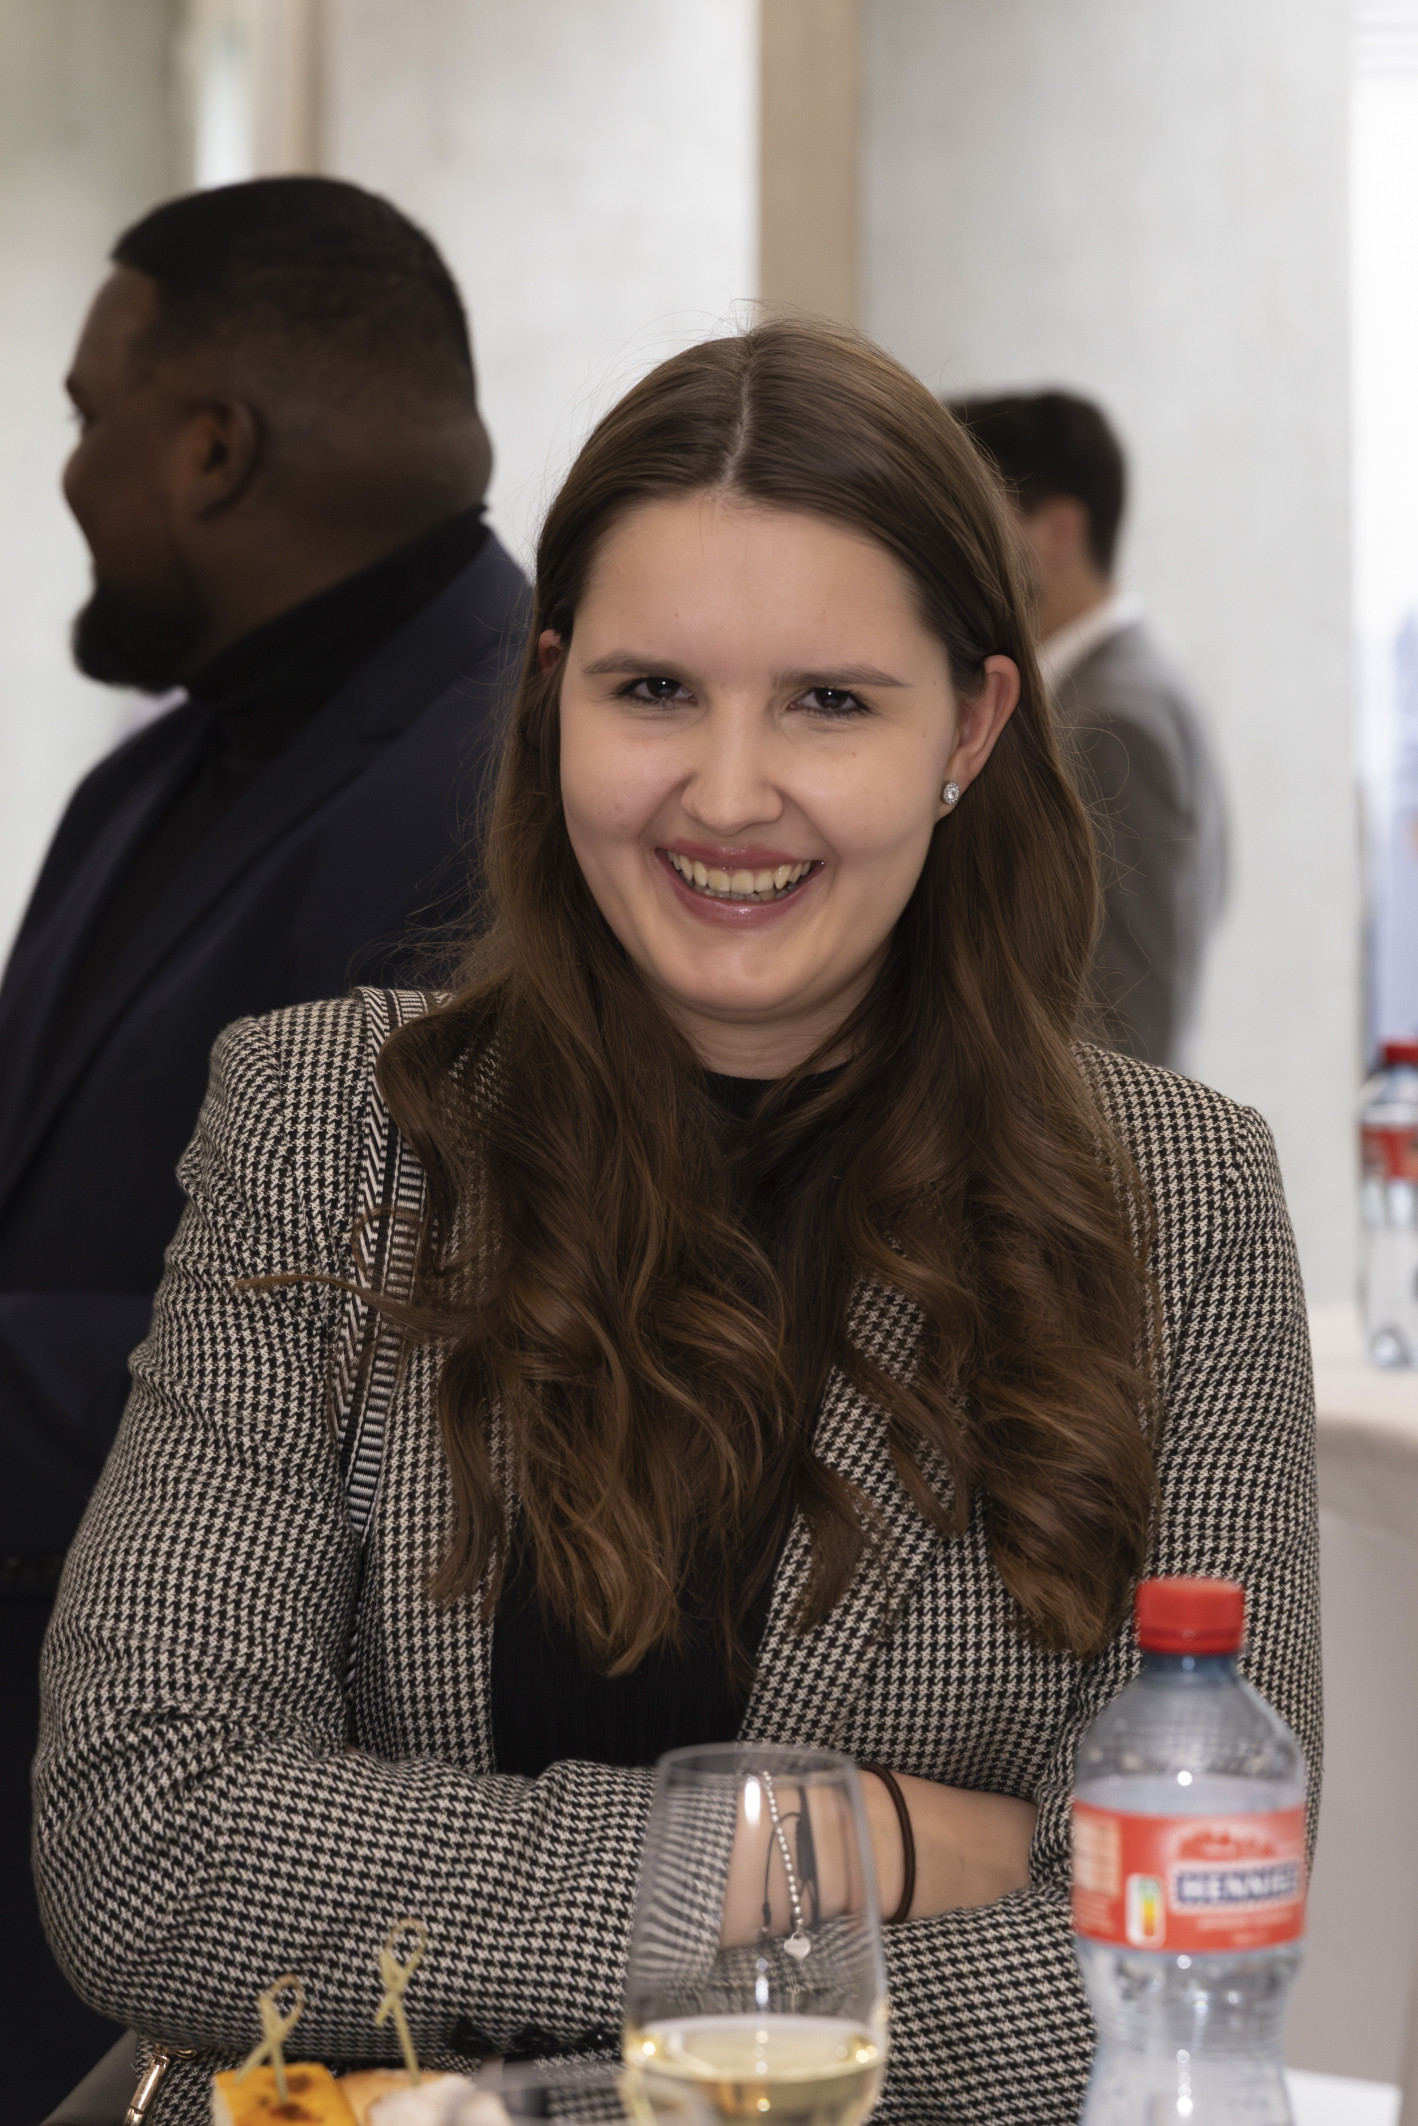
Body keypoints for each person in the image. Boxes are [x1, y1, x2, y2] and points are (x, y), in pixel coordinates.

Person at [35, 321, 1316, 2126]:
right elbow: (148, 1841)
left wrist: (515, 2063)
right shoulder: (327, 1123)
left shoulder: (1177, 1199)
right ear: (550, 695)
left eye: (828, 702)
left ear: (967, 727)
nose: (725, 793)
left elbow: (1161, 1965)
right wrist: (823, 1840)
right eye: (651, 691)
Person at [1, 175, 525, 2110]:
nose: (67, 472)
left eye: (88, 417)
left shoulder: (523, 796)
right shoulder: (146, 779)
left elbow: (419, 1348)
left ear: (210, 447)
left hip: (283, 1860)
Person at [950, 389, 1228, 1071]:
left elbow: (1128, 1016)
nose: (958, 552)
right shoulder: (1123, 687)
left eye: (978, 520)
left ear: (1058, 531)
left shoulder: (1111, 721)